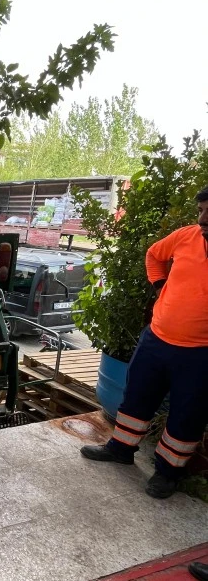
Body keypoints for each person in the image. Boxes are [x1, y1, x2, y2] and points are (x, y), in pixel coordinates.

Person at [81, 187, 208, 499]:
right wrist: (160, 284)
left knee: (187, 414)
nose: (203, 218)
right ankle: (120, 449)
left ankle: (167, 473)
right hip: (156, 339)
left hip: (199, 353)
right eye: (201, 210)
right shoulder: (186, 236)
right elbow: (154, 254)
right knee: (136, 398)